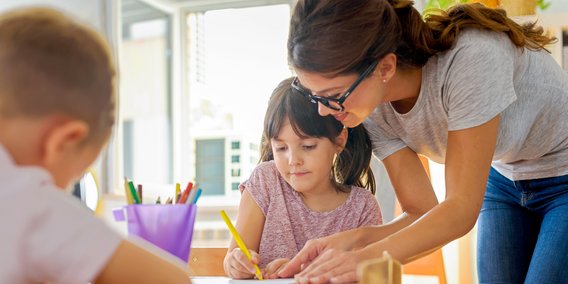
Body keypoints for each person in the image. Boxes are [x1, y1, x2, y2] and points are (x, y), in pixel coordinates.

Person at [277, 0, 568, 283]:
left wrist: (365, 259)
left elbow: (460, 209)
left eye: (333, 94)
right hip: (505, 176)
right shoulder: (371, 109)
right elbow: (422, 211)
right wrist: (351, 242)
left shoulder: (472, 57)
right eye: (314, 95)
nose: (323, 110)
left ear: (385, 68)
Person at [0, 7, 190, 283]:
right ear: (63, 141)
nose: (59, 193)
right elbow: (172, 280)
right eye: (68, 181)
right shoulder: (27, 200)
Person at [223, 78, 382, 279]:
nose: (293, 160)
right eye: (281, 148)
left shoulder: (362, 207)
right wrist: (235, 263)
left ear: (339, 140)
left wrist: (301, 271)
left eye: (307, 146)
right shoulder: (266, 181)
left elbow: (371, 276)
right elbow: (234, 260)